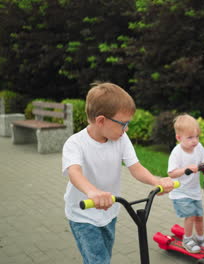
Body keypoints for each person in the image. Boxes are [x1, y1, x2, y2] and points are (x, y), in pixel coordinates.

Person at [62, 82, 174, 263]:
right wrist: (93, 192)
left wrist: (156, 181)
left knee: (103, 256)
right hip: (83, 214)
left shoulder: (120, 139)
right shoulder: (75, 144)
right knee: (98, 260)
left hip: (110, 210)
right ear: (101, 121)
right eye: (123, 124)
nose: (126, 129)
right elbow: (74, 173)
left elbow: (135, 167)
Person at [167, 114, 204, 253]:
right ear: (179, 138)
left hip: (194, 191)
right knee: (190, 216)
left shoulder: (198, 147)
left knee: (199, 216)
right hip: (180, 192)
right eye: (190, 137)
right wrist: (185, 170)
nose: (195, 141)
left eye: (196, 136)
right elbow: (171, 173)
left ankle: (200, 238)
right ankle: (187, 240)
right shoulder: (177, 153)